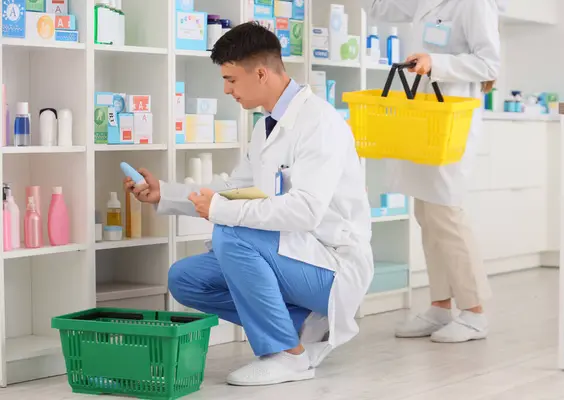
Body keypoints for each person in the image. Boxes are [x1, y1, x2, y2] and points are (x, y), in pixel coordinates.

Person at [124, 22, 374, 386]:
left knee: (232, 234)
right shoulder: (267, 127)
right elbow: (234, 187)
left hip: (332, 265)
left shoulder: (319, 122)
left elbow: (306, 210)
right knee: (186, 279)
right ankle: (295, 326)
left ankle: (286, 356)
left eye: (231, 79)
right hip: (292, 255)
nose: (226, 90)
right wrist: (165, 192)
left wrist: (223, 212)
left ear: (260, 73)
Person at [364, 0, 501, 343]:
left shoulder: (474, 4)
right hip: (424, 120)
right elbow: (381, 9)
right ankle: (440, 306)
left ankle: (474, 312)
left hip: (451, 120)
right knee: (426, 211)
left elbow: (489, 62)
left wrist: (435, 61)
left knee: (446, 212)